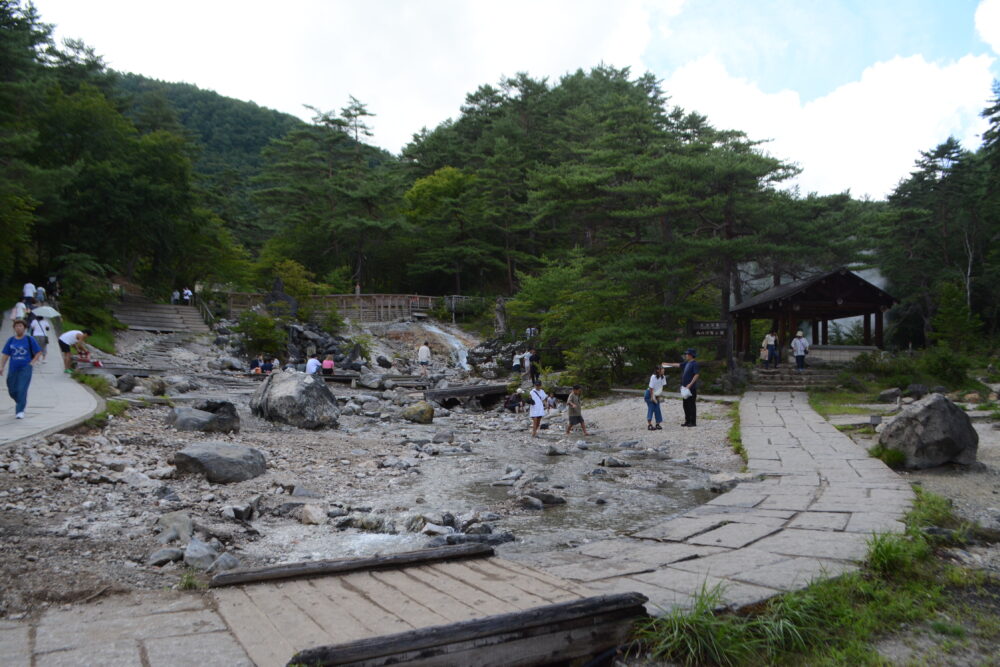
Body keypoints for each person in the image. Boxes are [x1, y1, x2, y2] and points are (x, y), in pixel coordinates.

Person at [1, 319, 43, 419]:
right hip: (13, 368)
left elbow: (38, 352)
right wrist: (1, 366)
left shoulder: (29, 339)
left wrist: (32, 363)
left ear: (24, 328)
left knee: (21, 389)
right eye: (16, 326)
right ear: (14, 328)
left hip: (25, 368)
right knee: (12, 390)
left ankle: (20, 410)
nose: (18, 328)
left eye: (20, 326)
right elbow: (6, 354)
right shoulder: (11, 340)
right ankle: (20, 401)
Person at [679, 348, 700, 427]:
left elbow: (696, 375)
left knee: (691, 405)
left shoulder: (695, 364)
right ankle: (687, 421)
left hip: (691, 389)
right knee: (685, 405)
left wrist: (690, 384)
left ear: (691, 355)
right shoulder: (687, 363)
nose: (686, 355)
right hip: (685, 389)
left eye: (687, 354)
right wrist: (667, 364)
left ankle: (693, 422)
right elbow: (678, 365)